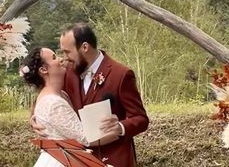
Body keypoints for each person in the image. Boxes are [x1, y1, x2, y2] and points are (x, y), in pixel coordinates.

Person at [34, 23, 149, 167]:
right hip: (76, 160)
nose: (64, 58)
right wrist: (35, 116)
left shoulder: (121, 74)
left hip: (114, 157)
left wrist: (121, 127)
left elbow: (141, 118)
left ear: (85, 47)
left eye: (67, 52)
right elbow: (51, 96)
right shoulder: (68, 72)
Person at [21, 46, 119, 167]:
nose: (61, 59)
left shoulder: (61, 94)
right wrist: (117, 131)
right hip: (61, 161)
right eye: (54, 57)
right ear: (44, 69)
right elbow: (84, 138)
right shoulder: (53, 102)